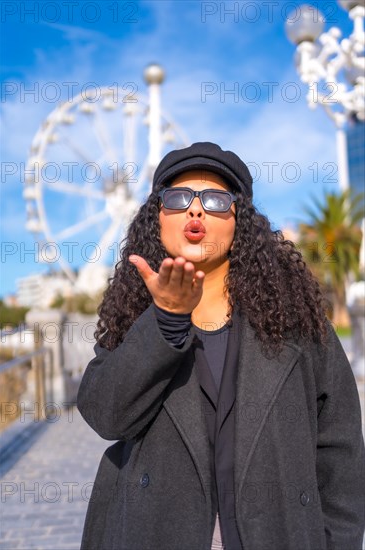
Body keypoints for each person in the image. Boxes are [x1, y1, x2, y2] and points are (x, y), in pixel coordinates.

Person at [77, 142, 364, 550]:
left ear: (240, 222)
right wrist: (166, 321)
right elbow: (106, 415)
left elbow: (340, 447)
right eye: (177, 199)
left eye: (215, 200)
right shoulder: (132, 318)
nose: (196, 211)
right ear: (157, 219)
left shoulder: (298, 323)